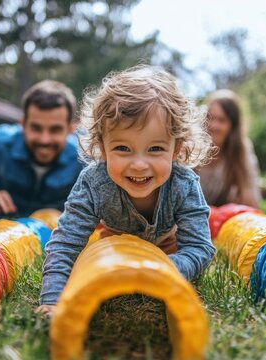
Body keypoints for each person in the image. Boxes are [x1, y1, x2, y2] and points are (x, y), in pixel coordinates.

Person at [36, 65, 217, 316]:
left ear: (176, 149)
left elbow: (199, 247)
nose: (139, 164)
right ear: (102, 146)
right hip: (114, 247)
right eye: (123, 148)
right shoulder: (94, 183)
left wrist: (164, 269)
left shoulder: (183, 184)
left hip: (166, 248)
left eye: (155, 149)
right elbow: (65, 243)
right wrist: (52, 299)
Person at [0, 80, 83, 222]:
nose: (44, 140)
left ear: (70, 129)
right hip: (5, 221)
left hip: (56, 227)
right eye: (36, 128)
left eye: (55, 130)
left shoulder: (83, 156)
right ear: (23, 124)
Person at [197, 89, 261, 208]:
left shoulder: (242, 149)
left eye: (221, 120)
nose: (213, 125)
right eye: (210, 118)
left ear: (233, 126)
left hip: (224, 216)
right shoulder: (191, 147)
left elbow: (251, 201)